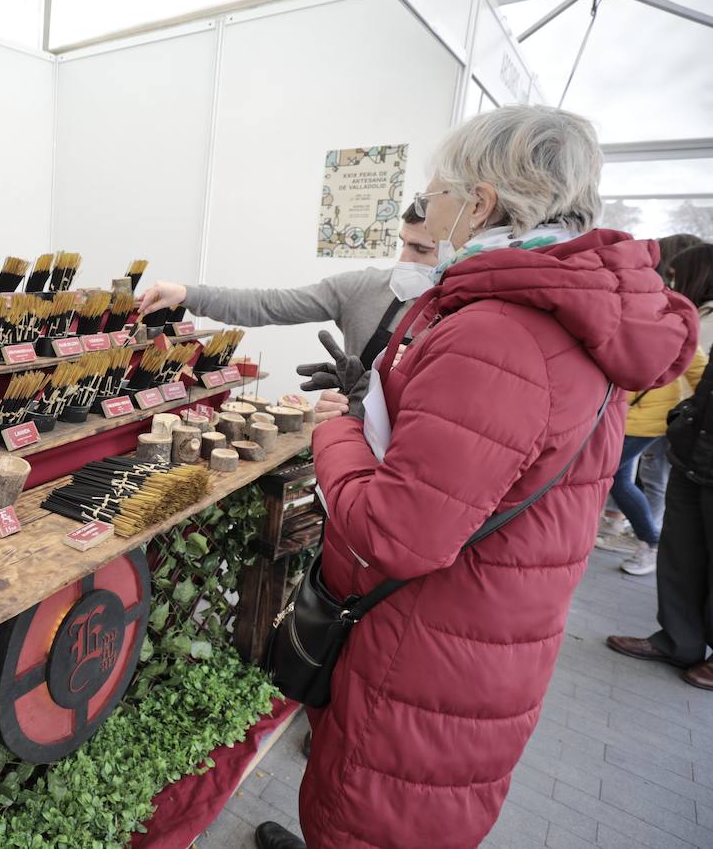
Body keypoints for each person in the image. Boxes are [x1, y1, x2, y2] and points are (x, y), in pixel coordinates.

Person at [253, 106, 697, 849]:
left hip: (429, 643)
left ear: (480, 202)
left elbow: (397, 533)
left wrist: (335, 423)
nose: (423, 218)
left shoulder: (497, 327)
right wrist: (380, 404)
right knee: (386, 799)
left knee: (373, 808)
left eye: (432, 199)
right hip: (485, 627)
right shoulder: (576, 312)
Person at [136, 205, 439, 370]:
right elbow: (270, 305)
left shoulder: (473, 316)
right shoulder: (363, 289)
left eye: (421, 250)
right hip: (353, 451)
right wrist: (188, 294)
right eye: (402, 243)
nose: (404, 260)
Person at [607, 242, 713, 690]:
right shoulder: (692, 313)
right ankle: (677, 641)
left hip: (698, 447)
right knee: (681, 553)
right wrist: (684, 423)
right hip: (694, 449)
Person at [603, 242, 710, 575]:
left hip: (646, 419)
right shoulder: (664, 312)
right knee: (615, 477)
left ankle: (650, 540)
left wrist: (692, 413)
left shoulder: (679, 317)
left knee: (614, 478)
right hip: (634, 414)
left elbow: (698, 367)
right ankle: (641, 537)